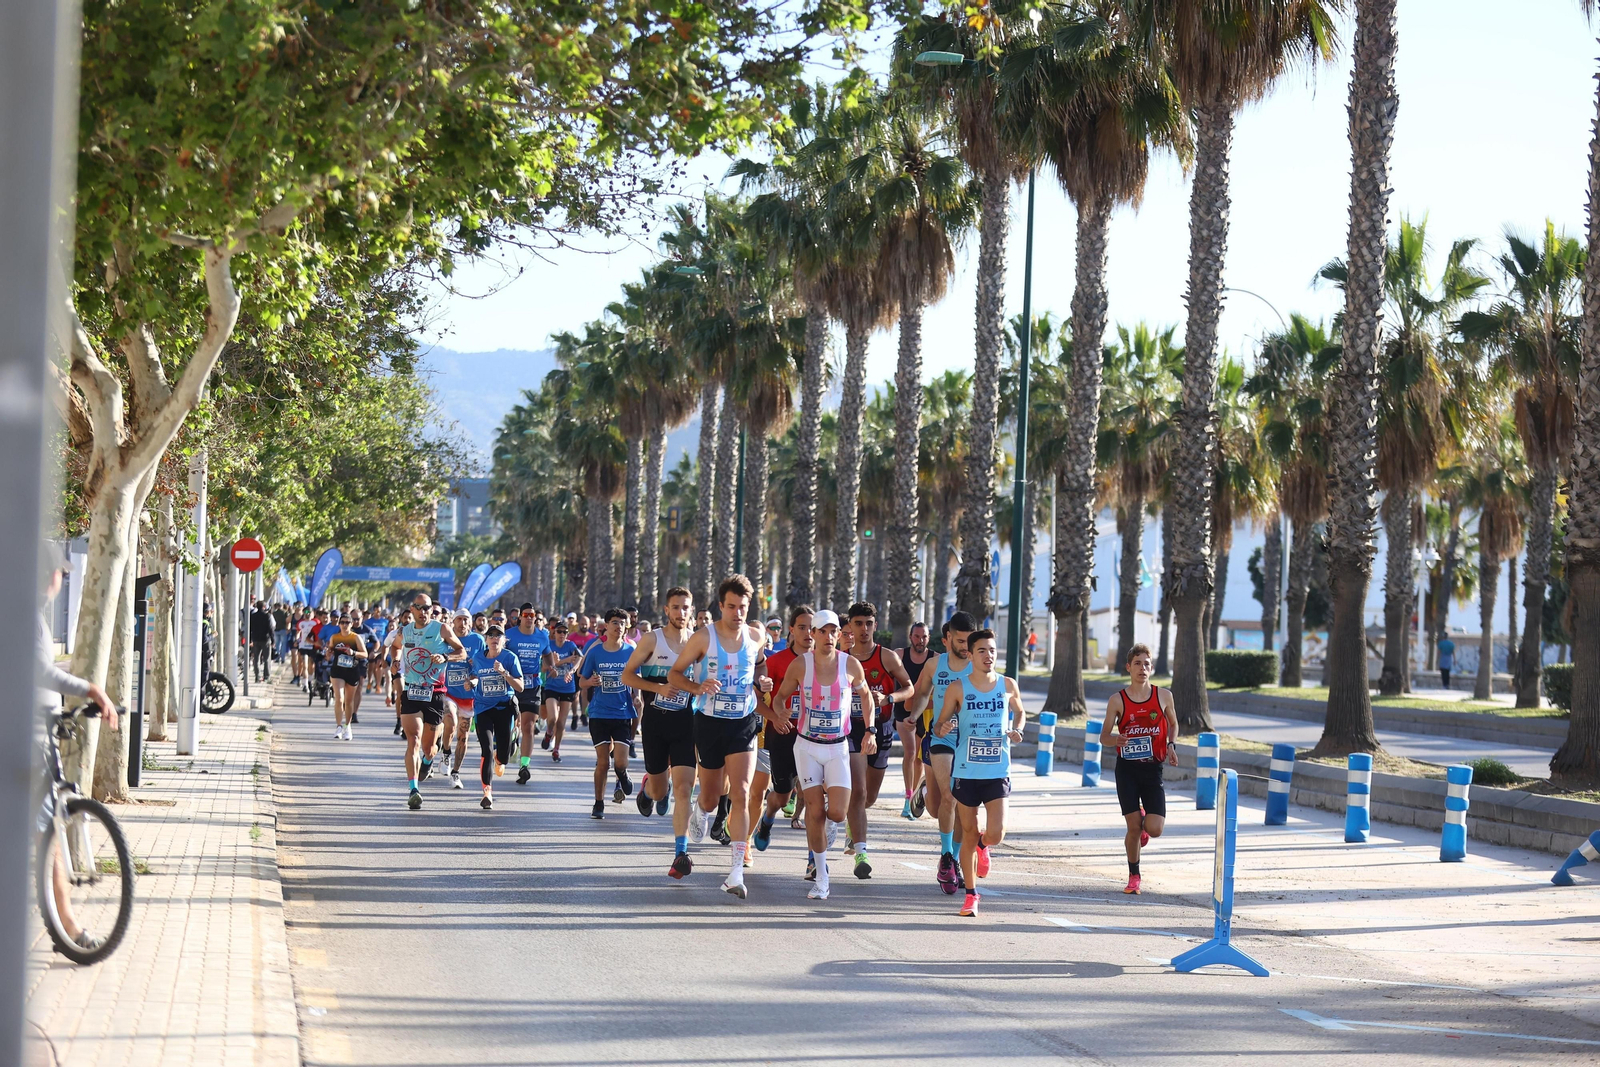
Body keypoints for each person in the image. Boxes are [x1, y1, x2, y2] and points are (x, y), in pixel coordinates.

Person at [667, 574, 774, 899]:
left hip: (743, 722)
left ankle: (735, 873)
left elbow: (760, 668)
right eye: (731, 607)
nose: (737, 613)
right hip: (710, 722)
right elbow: (675, 673)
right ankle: (702, 810)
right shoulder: (703, 638)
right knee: (713, 795)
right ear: (720, 606)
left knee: (741, 792)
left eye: (743, 607)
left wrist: (763, 683)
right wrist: (697, 687)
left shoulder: (756, 636)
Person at [771, 609, 873, 901]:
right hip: (806, 746)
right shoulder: (800, 666)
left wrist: (871, 730)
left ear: (839, 635)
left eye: (833, 632)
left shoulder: (850, 665)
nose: (828, 637)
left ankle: (828, 833)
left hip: (838, 747)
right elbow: (780, 696)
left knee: (838, 813)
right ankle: (821, 877)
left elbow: (865, 695)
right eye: (822, 631)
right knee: (814, 811)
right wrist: (781, 710)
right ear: (812, 635)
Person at [932, 628, 1025, 917]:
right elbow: (939, 725)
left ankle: (986, 846)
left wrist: (1017, 729)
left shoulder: (1007, 684)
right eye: (982, 650)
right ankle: (971, 895)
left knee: (996, 833)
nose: (989, 655)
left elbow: (1020, 712)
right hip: (966, 770)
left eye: (993, 650)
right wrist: (944, 727)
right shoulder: (958, 688)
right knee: (969, 832)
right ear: (970, 655)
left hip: (997, 768)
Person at [620, 588, 698, 877]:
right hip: (655, 722)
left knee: (684, 789)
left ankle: (681, 854)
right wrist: (658, 688)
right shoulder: (653, 639)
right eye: (675, 607)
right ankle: (648, 788)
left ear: (692, 610)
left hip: (685, 724)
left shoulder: (699, 642)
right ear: (666, 610)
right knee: (660, 789)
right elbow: (627, 675)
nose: (680, 613)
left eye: (685, 608)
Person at [906, 612, 978, 894]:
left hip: (968, 741)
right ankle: (928, 791)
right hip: (940, 737)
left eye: (969, 640)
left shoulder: (979, 666)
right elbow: (923, 692)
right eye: (961, 641)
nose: (966, 646)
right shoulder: (936, 665)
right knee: (945, 800)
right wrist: (914, 714)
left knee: (957, 804)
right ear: (948, 639)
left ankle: (950, 859)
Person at [843, 602, 914, 880]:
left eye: (868, 623)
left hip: (882, 727)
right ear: (850, 626)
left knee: (869, 798)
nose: (863, 629)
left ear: (875, 625)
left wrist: (889, 698)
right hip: (852, 731)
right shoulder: (842, 658)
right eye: (858, 623)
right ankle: (861, 853)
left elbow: (909, 688)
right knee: (858, 792)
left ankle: (853, 824)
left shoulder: (886, 657)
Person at [1100, 643, 1178, 895]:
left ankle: (1145, 818)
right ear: (1128, 668)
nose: (1142, 668)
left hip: (1153, 769)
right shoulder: (1117, 700)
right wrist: (1116, 740)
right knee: (1133, 828)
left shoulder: (1163, 696)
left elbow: (1173, 724)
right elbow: (1104, 736)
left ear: (1152, 668)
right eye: (1137, 663)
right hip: (1127, 770)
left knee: (1154, 829)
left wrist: (1171, 745)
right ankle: (1134, 875)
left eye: (1146, 664)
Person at [749, 606, 811, 860]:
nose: (808, 633)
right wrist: (774, 716)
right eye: (802, 627)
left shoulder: (827, 660)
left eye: (812, 628)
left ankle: (814, 860)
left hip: (815, 737)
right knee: (783, 796)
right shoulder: (775, 661)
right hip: (782, 734)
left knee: (816, 795)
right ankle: (768, 817)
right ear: (792, 630)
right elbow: (754, 699)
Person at [397, 595, 467, 810]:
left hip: (434, 693)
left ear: (431, 609)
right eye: (418, 608)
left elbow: (461, 652)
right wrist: (395, 662)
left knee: (428, 748)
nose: (422, 611)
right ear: (412, 608)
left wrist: (445, 657)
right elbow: (395, 647)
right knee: (413, 740)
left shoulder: (442, 629)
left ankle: (428, 761)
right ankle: (413, 789)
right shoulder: (405, 631)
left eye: (426, 608)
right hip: (411, 691)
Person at [579, 609, 640, 819]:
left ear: (627, 627)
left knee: (621, 762)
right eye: (614, 622)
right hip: (599, 713)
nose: (618, 626)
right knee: (603, 762)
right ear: (606, 625)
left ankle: (622, 774)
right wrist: (590, 682)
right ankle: (598, 803)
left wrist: (637, 696)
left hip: (622, 712)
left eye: (622, 623)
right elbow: (582, 681)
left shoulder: (630, 651)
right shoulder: (596, 652)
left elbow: (636, 678)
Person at [466, 625, 524, 809]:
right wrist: (471, 682)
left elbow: (520, 687)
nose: (494, 638)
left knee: (503, 756)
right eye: (490, 635)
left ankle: (505, 752)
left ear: (503, 640)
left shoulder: (509, 658)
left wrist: (504, 673)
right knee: (487, 750)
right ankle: (487, 792)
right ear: (486, 639)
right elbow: (475, 675)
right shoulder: (478, 657)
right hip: (483, 708)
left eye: (498, 635)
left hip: (503, 708)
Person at [502, 604, 551, 785]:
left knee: (529, 726)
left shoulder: (542, 636)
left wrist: (550, 667)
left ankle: (524, 766)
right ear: (520, 617)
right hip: (512, 684)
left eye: (533, 615)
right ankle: (511, 741)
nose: (530, 618)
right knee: (510, 724)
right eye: (526, 615)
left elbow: (547, 655)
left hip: (532, 686)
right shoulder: (510, 635)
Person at [443, 611, 485, 787]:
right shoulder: (446, 637)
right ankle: (446, 753)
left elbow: (483, 666)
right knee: (451, 721)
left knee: (463, 736)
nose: (462, 623)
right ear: (453, 622)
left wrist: (474, 679)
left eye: (465, 620)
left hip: (468, 696)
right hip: (448, 691)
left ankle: (456, 772)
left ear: (471, 623)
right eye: (459, 619)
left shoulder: (478, 640)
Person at [896, 622, 933, 819]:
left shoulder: (935, 659)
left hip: (924, 712)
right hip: (903, 711)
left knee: (919, 758)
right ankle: (907, 799)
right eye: (917, 636)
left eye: (924, 637)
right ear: (910, 637)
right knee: (910, 752)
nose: (920, 641)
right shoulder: (900, 655)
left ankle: (913, 798)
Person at [540, 620, 580, 763]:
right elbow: (544, 667)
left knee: (562, 723)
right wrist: (562, 661)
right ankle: (549, 733)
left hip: (567, 687)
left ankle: (556, 749)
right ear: (554, 632)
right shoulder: (548, 646)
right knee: (552, 718)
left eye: (565, 632)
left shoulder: (570, 645)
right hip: (552, 686)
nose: (562, 634)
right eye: (559, 631)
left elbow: (579, 657)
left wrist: (572, 669)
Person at [324, 614, 368, 740]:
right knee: (339, 699)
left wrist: (354, 653)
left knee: (349, 702)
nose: (344, 625)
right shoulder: (335, 637)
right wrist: (328, 653)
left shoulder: (356, 638)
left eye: (347, 622)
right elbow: (330, 653)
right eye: (342, 622)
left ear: (351, 624)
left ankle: (347, 726)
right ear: (339, 624)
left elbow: (365, 654)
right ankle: (338, 727)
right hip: (338, 671)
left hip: (352, 671)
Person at [248, 601, 274, 682]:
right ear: (264, 607)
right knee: (266, 658)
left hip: (256, 639)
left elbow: (250, 628)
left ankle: (257, 676)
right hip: (265, 639)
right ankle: (266, 676)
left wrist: (250, 639)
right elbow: (270, 629)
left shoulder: (253, 616)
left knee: (256, 658)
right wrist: (273, 640)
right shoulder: (267, 616)